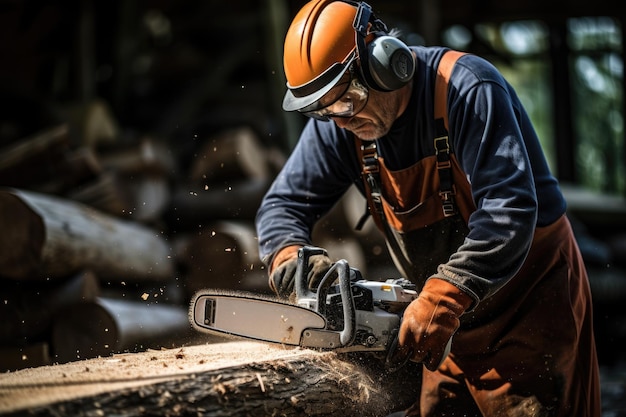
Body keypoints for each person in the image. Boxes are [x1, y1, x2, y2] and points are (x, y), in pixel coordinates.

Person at [254, 0, 602, 415]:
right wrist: (295, 265)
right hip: (443, 325)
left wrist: (444, 296)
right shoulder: (339, 121)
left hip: (527, 307)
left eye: (346, 101)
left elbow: (508, 212)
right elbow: (282, 206)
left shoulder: (467, 89)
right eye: (323, 110)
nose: (339, 119)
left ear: (385, 63)